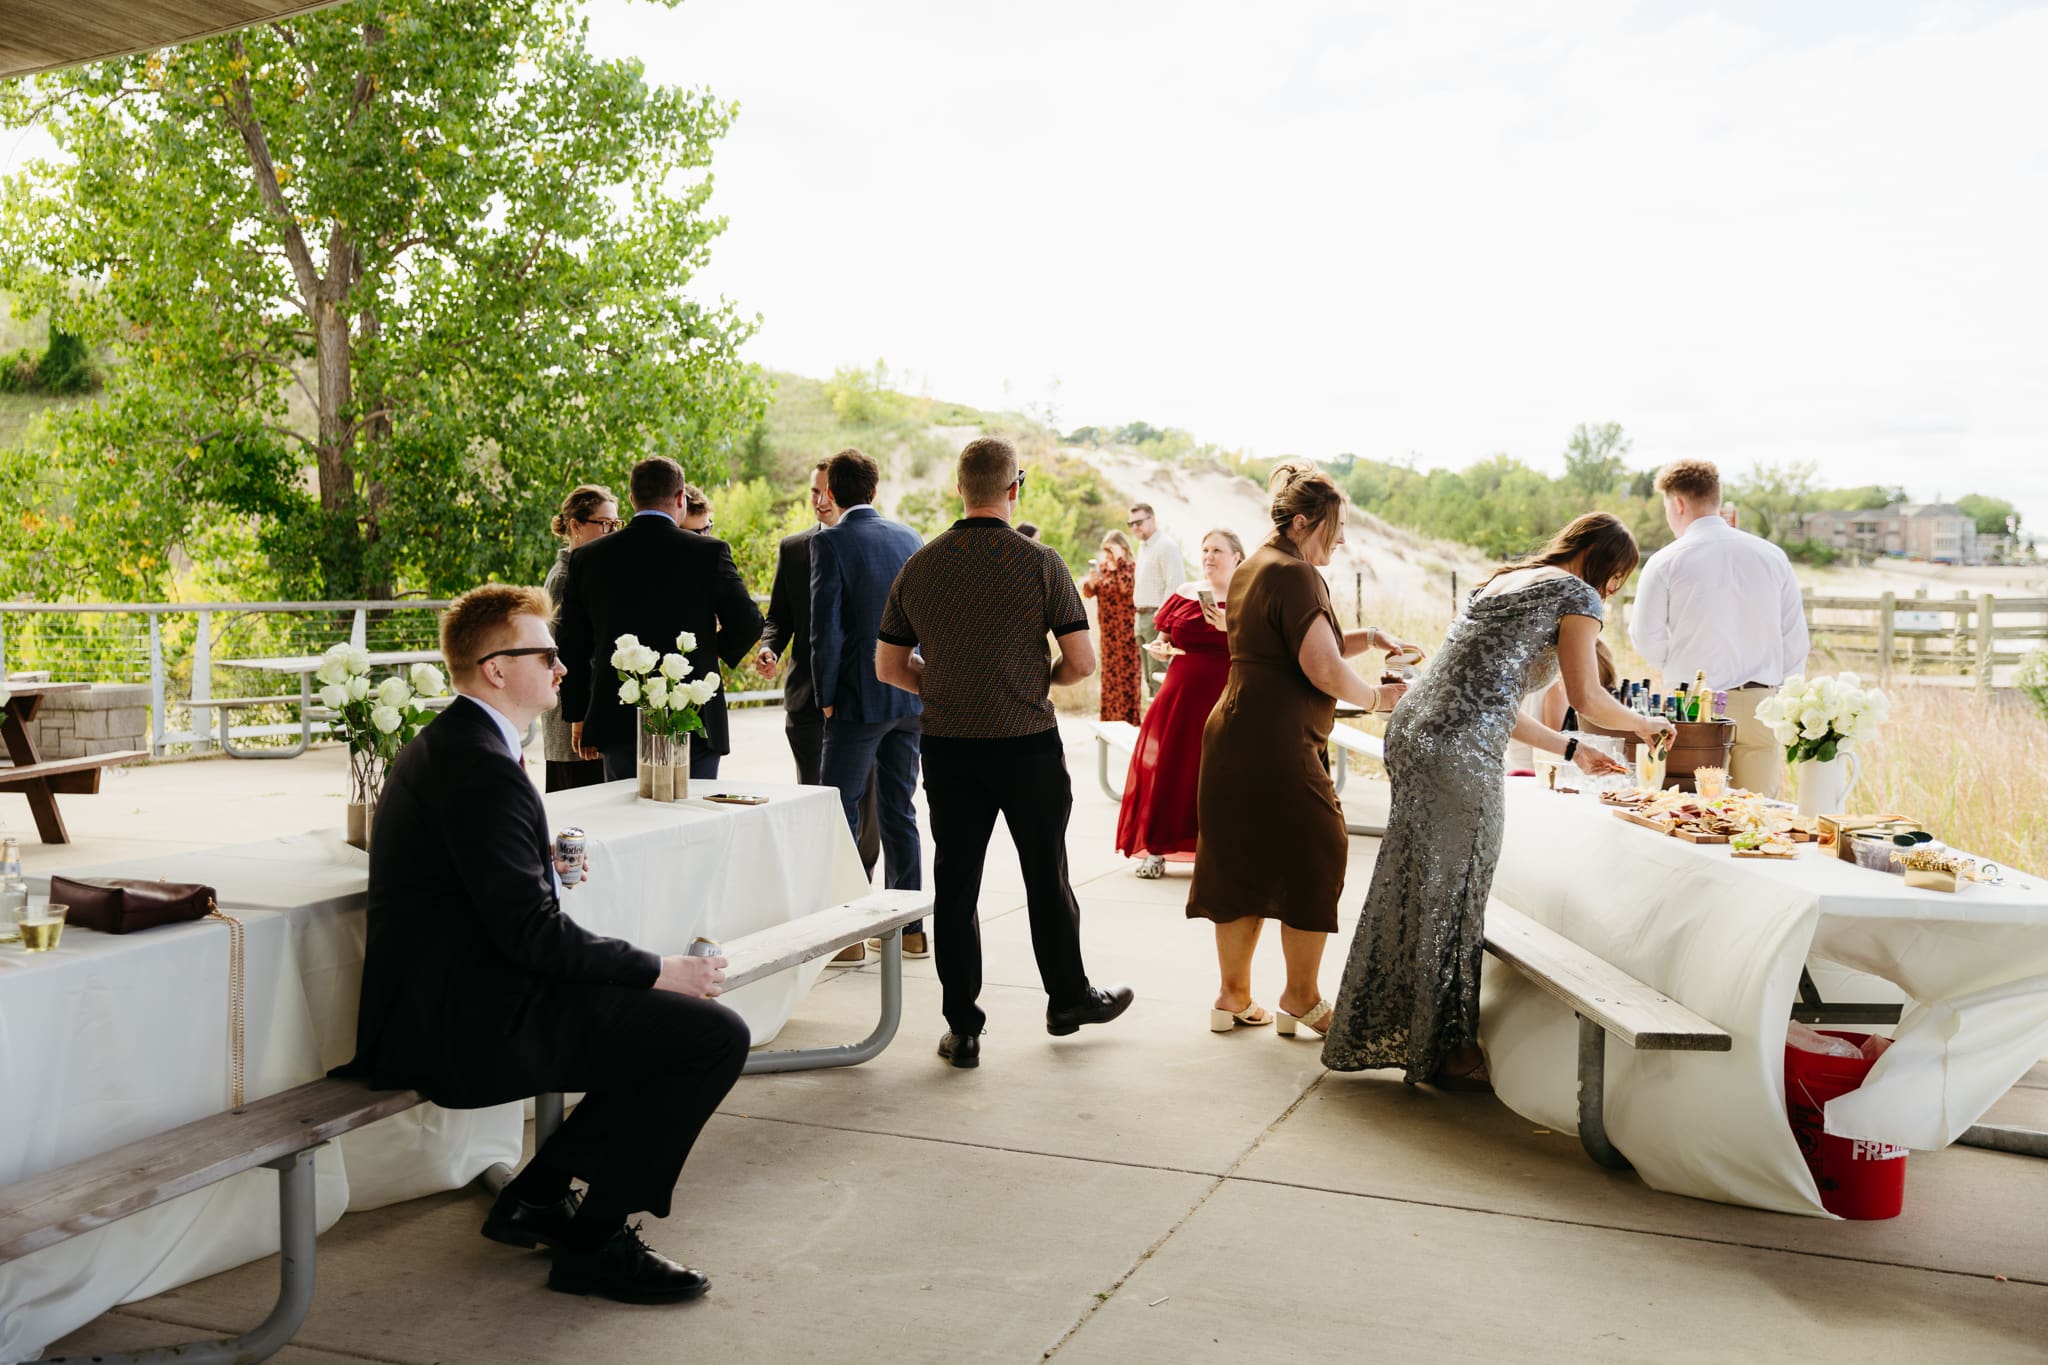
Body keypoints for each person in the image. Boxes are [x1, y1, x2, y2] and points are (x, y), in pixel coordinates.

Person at [340, 584, 748, 1304]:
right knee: (711, 1035)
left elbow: (487, 893)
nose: (565, 668)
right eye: (548, 655)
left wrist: (540, 861)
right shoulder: (478, 765)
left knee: (660, 1029)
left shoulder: (465, 744)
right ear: (496, 668)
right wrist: (662, 970)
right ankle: (593, 1244)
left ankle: (539, 1193)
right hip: (464, 1024)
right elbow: (532, 934)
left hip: (468, 994)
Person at [1321, 514, 1670, 1087]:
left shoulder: (1503, 581)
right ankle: (1447, 1051)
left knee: (1412, 882)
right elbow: (1588, 696)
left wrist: (1571, 748)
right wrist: (1646, 725)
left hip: (1414, 730)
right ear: (1603, 563)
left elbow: (1488, 697)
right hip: (1458, 749)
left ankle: (1389, 1029)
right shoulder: (1577, 594)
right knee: (1458, 891)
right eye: (1619, 577)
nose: (1615, 590)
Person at [876, 437, 1135, 1069]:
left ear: (959, 488)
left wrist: (939, 686)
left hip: (948, 748)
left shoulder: (921, 566)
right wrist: (1033, 681)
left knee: (956, 884)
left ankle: (962, 1029)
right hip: (1027, 749)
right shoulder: (1042, 564)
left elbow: (887, 666)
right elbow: (1081, 663)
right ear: (1014, 487)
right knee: (1046, 875)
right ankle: (1067, 1000)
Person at [1186, 466, 1410, 1037]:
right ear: (1305, 522)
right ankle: (1301, 997)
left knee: (1240, 862)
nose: (1341, 539)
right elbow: (1321, 666)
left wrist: (1370, 637)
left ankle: (1232, 996)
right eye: (1335, 527)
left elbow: (1291, 646)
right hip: (1275, 741)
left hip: (1236, 733)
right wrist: (1379, 698)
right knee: (1318, 854)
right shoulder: (1298, 575)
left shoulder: (1256, 565)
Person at [556, 456, 763, 783]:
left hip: (617, 714)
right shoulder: (709, 552)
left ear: (631, 498)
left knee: (629, 825)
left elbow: (573, 644)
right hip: (693, 713)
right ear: (681, 498)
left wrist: (578, 714)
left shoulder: (589, 558)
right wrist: (706, 653)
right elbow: (749, 622)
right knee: (693, 820)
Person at [758, 460, 881, 961]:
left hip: (861, 700)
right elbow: (779, 618)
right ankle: (834, 916)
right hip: (808, 703)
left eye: (825, 491)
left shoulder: (877, 542)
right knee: (819, 806)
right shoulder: (793, 548)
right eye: (812, 491)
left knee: (867, 809)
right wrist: (769, 647)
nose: (818, 500)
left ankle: (856, 909)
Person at [1629, 459, 1809, 798]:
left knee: (1689, 812)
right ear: (1716, 498)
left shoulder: (1666, 561)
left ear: (1677, 503)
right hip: (1761, 703)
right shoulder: (1772, 556)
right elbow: (1795, 641)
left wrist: (1679, 665)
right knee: (1757, 819)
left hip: (1694, 710)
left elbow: (1646, 638)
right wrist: (1779, 694)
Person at [811, 448, 928, 955]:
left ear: (832, 493)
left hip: (856, 699)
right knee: (899, 810)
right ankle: (911, 931)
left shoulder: (831, 542)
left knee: (840, 812)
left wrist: (826, 696)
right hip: (908, 695)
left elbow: (826, 630)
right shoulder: (909, 537)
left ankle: (851, 937)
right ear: (874, 491)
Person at [1116, 528, 1244, 878]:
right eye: (1205, 550)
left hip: (1226, 696)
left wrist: (1228, 628)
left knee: (1216, 774)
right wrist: (1160, 646)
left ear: (1237, 557)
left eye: (1218, 550)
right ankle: (1155, 850)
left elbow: (1263, 647)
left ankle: (1216, 851)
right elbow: (1165, 637)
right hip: (1179, 695)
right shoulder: (1185, 593)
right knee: (1169, 769)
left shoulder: (1249, 597)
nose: (1209, 557)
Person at [542, 484, 619, 793]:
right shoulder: (565, 577)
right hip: (573, 719)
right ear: (575, 525)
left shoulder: (587, 571)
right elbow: (567, 653)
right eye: (604, 524)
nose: (612, 532)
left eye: (616, 524)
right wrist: (583, 716)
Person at [1080, 530, 1142, 724]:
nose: (1107, 554)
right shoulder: (1104, 568)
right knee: (1110, 678)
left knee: (1127, 678)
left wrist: (1120, 561)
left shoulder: (1131, 567)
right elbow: (1088, 593)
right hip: (1108, 634)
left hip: (1127, 632)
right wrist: (1091, 583)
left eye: (1111, 549)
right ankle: (1109, 722)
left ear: (1123, 548)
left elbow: (1127, 588)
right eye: (1105, 550)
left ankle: (1128, 722)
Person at [1128, 502, 1185, 697]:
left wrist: (1162, 621)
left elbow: (1175, 586)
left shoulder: (1166, 546)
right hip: (1141, 616)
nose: (1135, 527)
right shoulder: (1144, 547)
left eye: (1139, 522)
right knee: (1149, 678)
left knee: (1159, 674)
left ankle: (1163, 725)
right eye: (1131, 524)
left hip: (1157, 617)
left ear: (1152, 519)